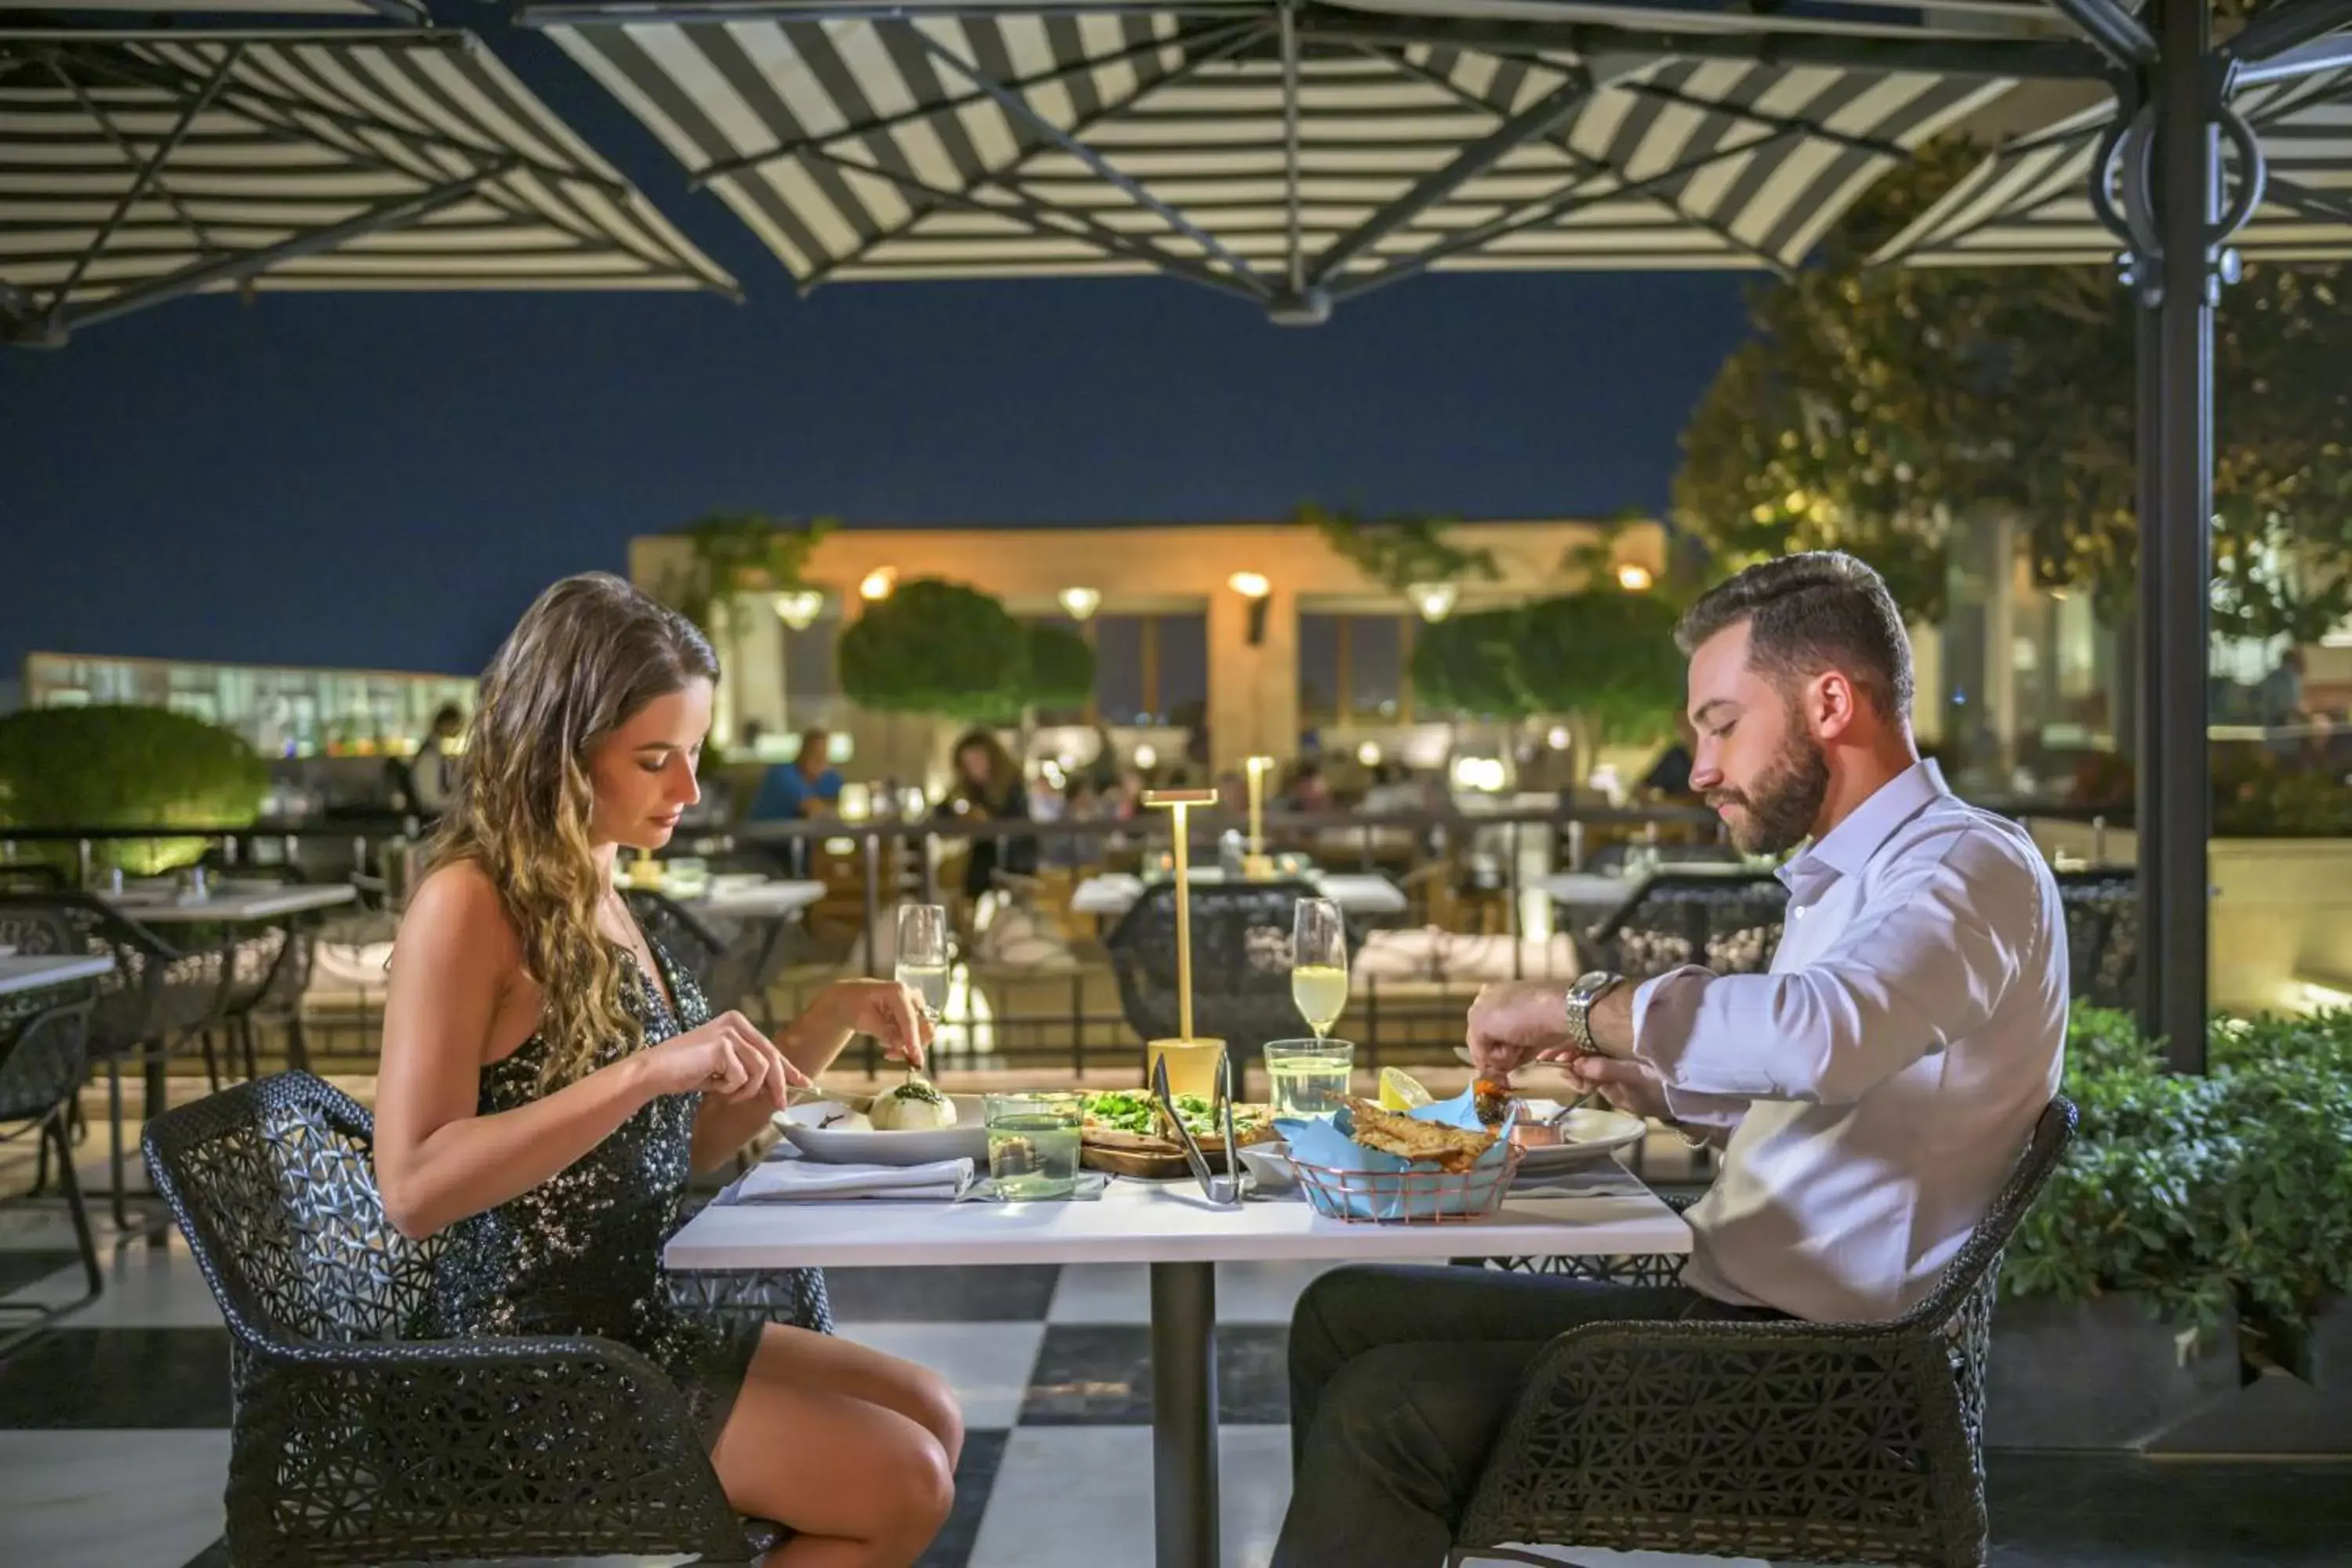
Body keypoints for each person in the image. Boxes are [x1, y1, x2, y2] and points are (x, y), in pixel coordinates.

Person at [1272, 551, 2067, 1567]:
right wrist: (1658, 1089)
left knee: (1388, 1413)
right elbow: (1838, 1093)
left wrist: (1583, 1004)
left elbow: (1823, 1035)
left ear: (1830, 701)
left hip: (1830, 1384)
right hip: (1736, 1314)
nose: (1698, 768)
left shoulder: (1966, 867)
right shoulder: (1853, 878)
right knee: (1346, 1316)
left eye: (1722, 724)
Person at [375, 575, 961, 1566]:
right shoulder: (469, 902)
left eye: (692, 755)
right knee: (899, 1479)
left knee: (932, 1413)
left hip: (630, 1314)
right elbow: (414, 1187)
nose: (687, 791)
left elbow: (679, 1148)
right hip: (517, 1358)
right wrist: (648, 1068)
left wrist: (823, 1022)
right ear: (560, 748)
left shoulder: (596, 877)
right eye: (655, 759)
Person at [935, 728, 1036, 902]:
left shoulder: (1012, 786)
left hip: (1012, 868)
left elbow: (1018, 827)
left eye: (977, 761)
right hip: (981, 872)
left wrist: (988, 822)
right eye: (968, 763)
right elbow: (940, 813)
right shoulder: (967, 790)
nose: (974, 769)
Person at [408, 703, 465, 818]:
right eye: (457, 724)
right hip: (433, 815)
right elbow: (431, 799)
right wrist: (458, 803)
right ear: (446, 724)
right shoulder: (430, 755)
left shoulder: (433, 749)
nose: (460, 728)